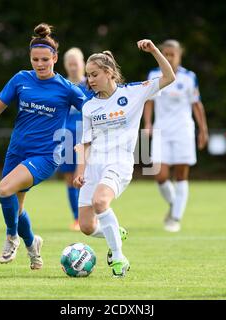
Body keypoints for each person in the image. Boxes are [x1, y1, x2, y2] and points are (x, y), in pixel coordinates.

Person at [0, 23, 86, 270]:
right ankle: (33, 245)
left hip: (45, 156)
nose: (39, 64)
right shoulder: (21, 79)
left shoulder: (67, 88)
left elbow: (92, 112)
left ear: (55, 58)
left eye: (45, 60)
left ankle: (11, 238)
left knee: (4, 190)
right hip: (16, 151)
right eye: (35, 59)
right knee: (16, 208)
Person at [73, 39, 175, 277]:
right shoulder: (88, 107)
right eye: (88, 75)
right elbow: (85, 143)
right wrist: (80, 171)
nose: (90, 80)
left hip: (119, 162)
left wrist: (154, 52)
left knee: (100, 202)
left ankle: (119, 259)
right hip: (93, 166)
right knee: (87, 227)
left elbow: (169, 77)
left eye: (94, 74)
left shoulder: (134, 92)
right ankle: (115, 231)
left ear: (109, 73)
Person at [143, 40, 209, 232]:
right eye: (166, 54)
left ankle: (175, 217)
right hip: (161, 130)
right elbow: (149, 101)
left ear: (180, 55)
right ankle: (175, 203)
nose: (169, 57)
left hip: (184, 131)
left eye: (173, 54)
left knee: (181, 175)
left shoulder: (189, 77)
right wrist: (147, 123)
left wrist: (203, 130)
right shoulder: (154, 75)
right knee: (159, 174)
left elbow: (197, 105)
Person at [58, 48, 93, 231]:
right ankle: (76, 218)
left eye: (76, 63)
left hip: (86, 136)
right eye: (69, 63)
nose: (73, 67)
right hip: (66, 136)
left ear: (83, 62)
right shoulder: (61, 84)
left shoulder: (90, 84)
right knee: (70, 177)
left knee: (86, 176)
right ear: (65, 65)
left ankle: (89, 215)